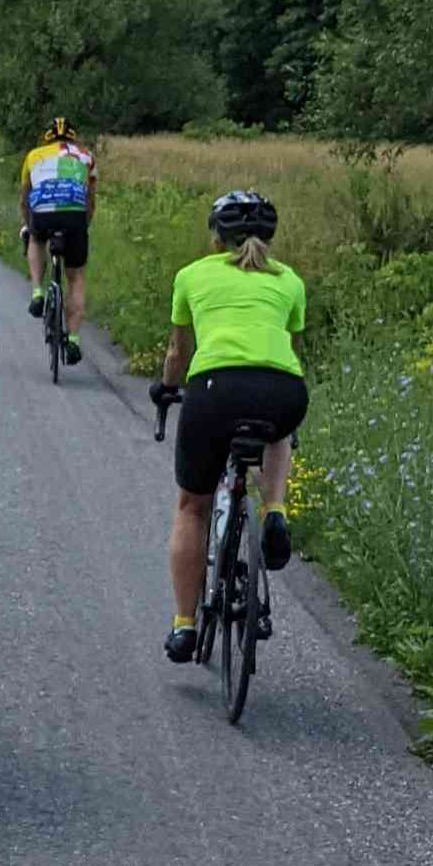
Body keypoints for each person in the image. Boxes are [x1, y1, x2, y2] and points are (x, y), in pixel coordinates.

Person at [151, 190, 307, 663]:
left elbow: (179, 354)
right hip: (282, 388)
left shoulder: (192, 275)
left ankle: (183, 624)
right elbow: (293, 352)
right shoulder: (290, 281)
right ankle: (274, 509)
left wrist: (165, 388)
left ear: (217, 237)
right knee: (279, 430)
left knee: (192, 508)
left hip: (215, 388)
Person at [17, 114, 98, 362]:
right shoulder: (87, 157)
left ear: (47, 137)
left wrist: (29, 222)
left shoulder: (33, 156)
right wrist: (84, 225)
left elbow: (25, 197)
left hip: (43, 214)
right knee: (76, 278)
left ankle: (38, 292)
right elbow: (91, 200)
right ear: (73, 137)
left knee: (35, 237)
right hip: (74, 216)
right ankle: (73, 340)